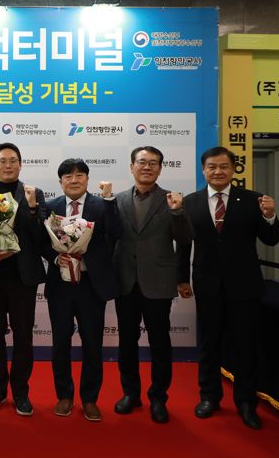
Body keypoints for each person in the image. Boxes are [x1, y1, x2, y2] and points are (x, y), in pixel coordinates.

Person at [177, 146, 279, 430]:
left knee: (245, 345)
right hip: (207, 284)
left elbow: (271, 239)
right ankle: (209, 397)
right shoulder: (191, 202)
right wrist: (182, 279)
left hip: (244, 285)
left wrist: (270, 216)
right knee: (209, 344)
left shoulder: (253, 200)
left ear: (233, 169)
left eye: (223, 166)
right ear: (203, 170)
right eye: (212, 166)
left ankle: (246, 402)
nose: (218, 171)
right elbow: (184, 244)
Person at [112, 146, 193, 423]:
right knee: (127, 342)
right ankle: (130, 393)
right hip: (125, 282)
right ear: (131, 166)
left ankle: (158, 397)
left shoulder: (172, 200)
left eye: (153, 163)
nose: (147, 167)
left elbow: (185, 239)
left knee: (160, 342)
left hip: (158, 282)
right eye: (142, 162)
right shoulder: (118, 200)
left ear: (160, 168)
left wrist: (177, 213)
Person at [42, 158, 121, 422]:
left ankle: (89, 398)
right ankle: (64, 395)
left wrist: (109, 200)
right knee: (60, 343)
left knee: (92, 343)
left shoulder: (102, 205)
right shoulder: (50, 207)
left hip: (91, 285)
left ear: (87, 179)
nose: (73, 180)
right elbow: (41, 242)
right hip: (60, 285)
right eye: (68, 176)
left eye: (79, 175)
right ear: (60, 181)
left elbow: (116, 233)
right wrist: (56, 258)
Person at [0, 143, 46, 417]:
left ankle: (20, 391)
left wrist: (32, 208)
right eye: (2, 161)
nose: (8, 165)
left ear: (20, 164)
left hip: (23, 278)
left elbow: (41, 238)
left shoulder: (33, 193)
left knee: (23, 337)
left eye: (13, 160)